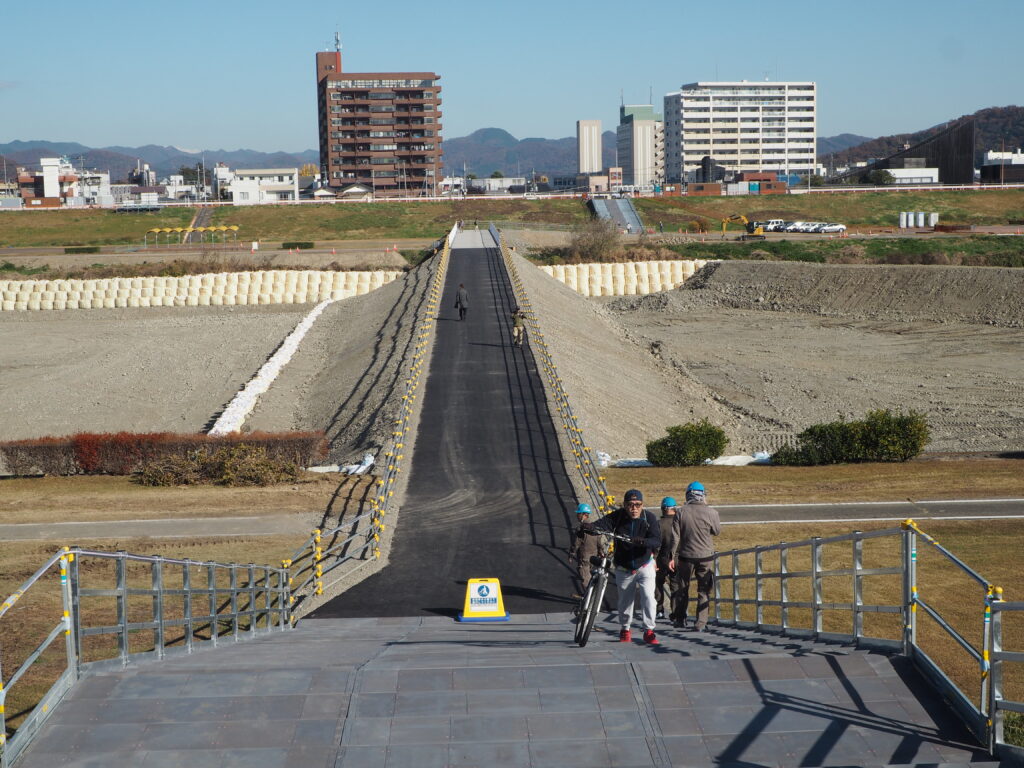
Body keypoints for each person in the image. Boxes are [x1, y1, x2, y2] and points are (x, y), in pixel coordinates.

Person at [583, 488, 661, 644]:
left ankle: (649, 630)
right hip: (624, 567)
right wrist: (589, 527)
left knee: (648, 598)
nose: (634, 508)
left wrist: (643, 542)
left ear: (642, 505)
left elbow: (657, 540)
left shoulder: (649, 518)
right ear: (624, 505)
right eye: (630, 505)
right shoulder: (617, 517)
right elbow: (602, 524)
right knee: (625, 601)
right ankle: (625, 629)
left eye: (638, 505)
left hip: (644, 564)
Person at [668, 481, 721, 632]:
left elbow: (675, 537)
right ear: (703, 495)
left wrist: (672, 556)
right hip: (705, 556)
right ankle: (701, 622)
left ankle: (680, 618)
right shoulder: (712, 512)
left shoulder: (680, 512)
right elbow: (717, 531)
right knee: (703, 590)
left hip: (685, 556)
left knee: (683, 588)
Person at [568, 502, 604, 597]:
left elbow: (576, 543)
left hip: (584, 557)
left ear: (583, 514)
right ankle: (589, 595)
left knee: (584, 576)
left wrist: (571, 554)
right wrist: (601, 552)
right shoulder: (594, 527)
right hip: (594, 557)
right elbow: (599, 542)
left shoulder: (581, 529)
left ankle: (589, 597)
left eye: (578, 513)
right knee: (589, 574)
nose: (577, 515)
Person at [654, 497, 677, 621]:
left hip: (662, 559)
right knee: (676, 586)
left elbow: (657, 544)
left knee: (658, 584)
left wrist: (654, 558)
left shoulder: (659, 524)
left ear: (663, 509)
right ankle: (676, 612)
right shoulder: (680, 522)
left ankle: (659, 610)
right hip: (678, 558)